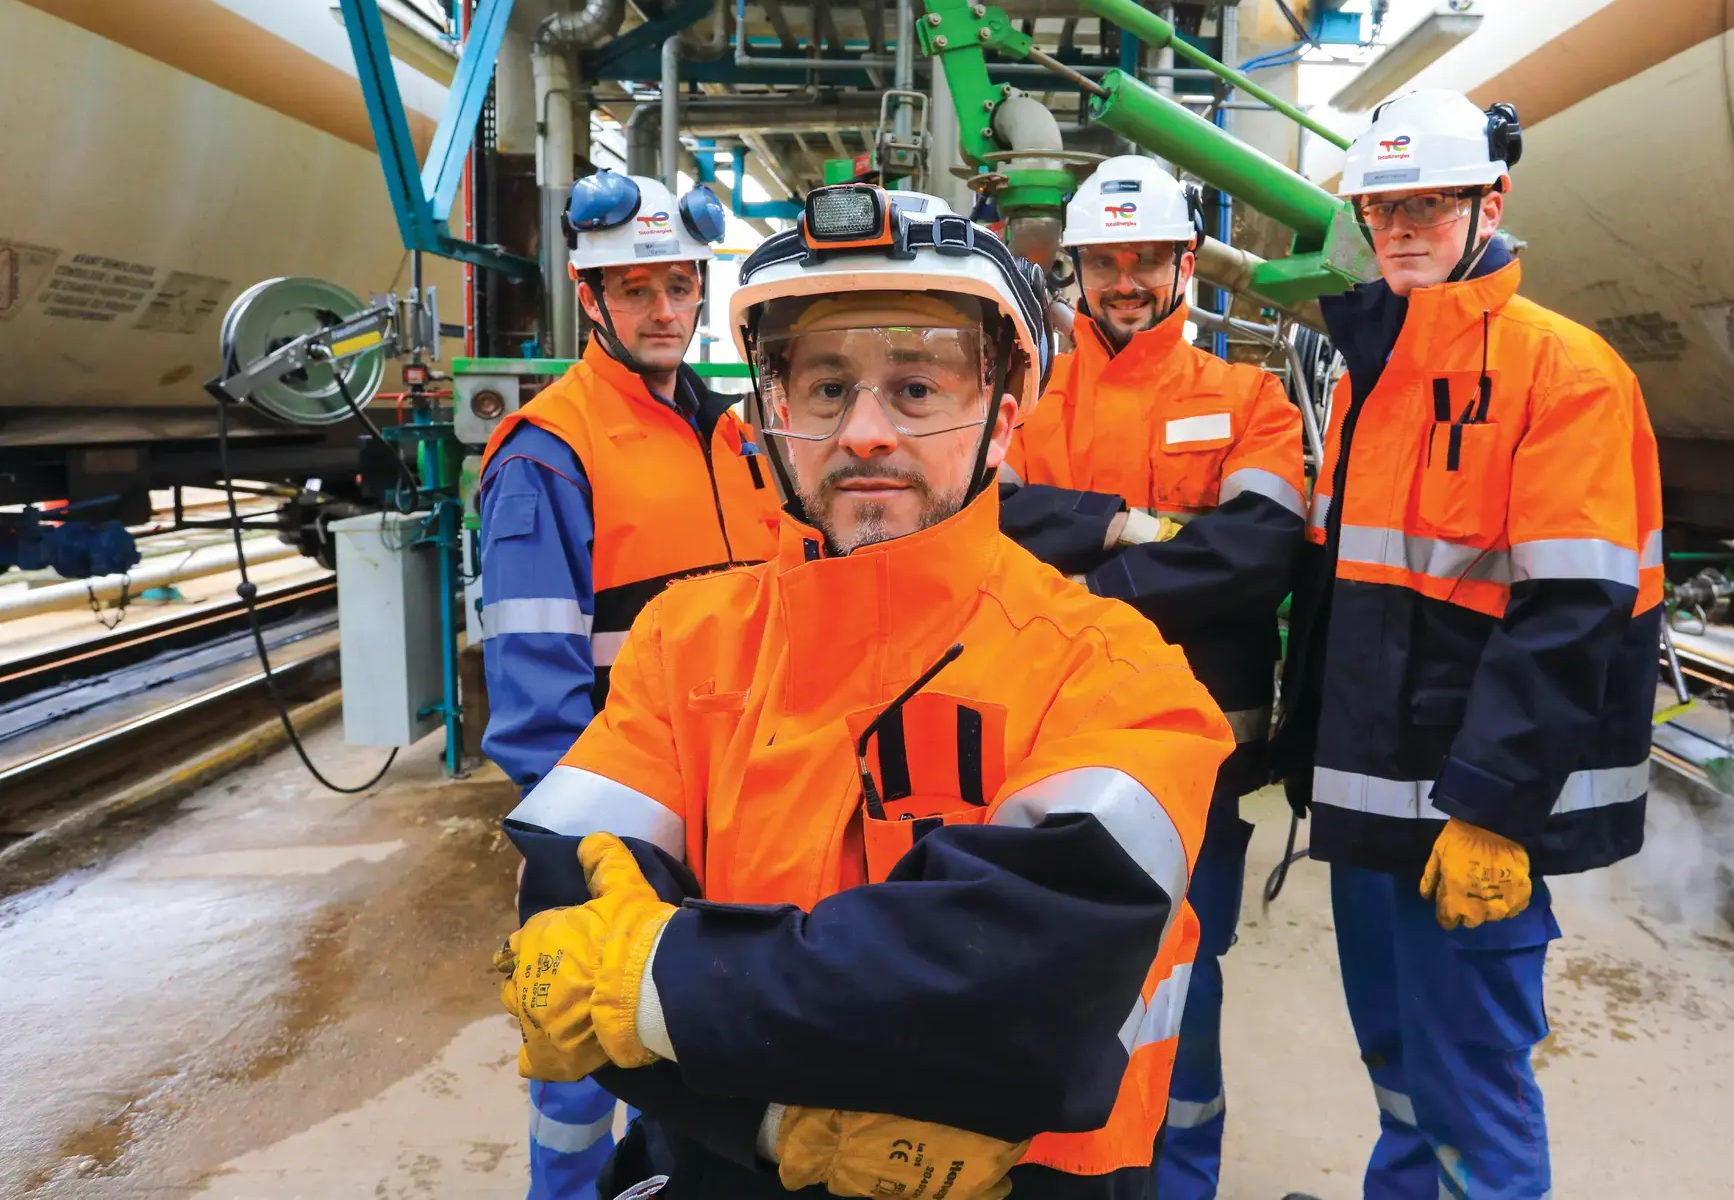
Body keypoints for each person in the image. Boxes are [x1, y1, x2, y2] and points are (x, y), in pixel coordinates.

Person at [492, 184, 1234, 1200]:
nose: (867, 432)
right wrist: (774, 1127)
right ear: (773, 415)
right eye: (827, 388)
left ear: (1001, 420)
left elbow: (1029, 973)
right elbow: (562, 905)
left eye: (917, 389)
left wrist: (664, 980)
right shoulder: (685, 641)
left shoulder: (1113, 672)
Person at [1272, 90, 1663, 1200]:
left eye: (1427, 203)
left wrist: (1491, 809)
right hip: (1373, 798)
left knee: (1471, 1089)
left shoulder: (1559, 371)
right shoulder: (1374, 372)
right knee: (1400, 1066)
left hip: (1467, 811)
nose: (1398, 227)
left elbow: (1573, 607)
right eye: (1380, 205)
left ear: (1488, 203)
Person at [996, 154, 1306, 1200]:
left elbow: (1256, 548)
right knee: (1038, 965)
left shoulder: (1247, 398)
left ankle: (1179, 1184)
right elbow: (979, 517)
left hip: (1194, 753)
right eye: (1104, 262)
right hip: (1039, 736)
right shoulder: (1024, 393)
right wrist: (1124, 523)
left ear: (1184, 263)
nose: (1124, 281)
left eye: (1145, 260)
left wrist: (1093, 580)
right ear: (1073, 270)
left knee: (1182, 980)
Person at [478, 170, 780, 1198]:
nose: (663, 310)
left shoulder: (738, 435)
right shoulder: (550, 453)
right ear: (589, 295)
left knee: (710, 1067)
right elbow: (533, 701)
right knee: (582, 1068)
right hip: (611, 826)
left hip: (739, 811)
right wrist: (590, 855)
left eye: (679, 285)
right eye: (636, 287)